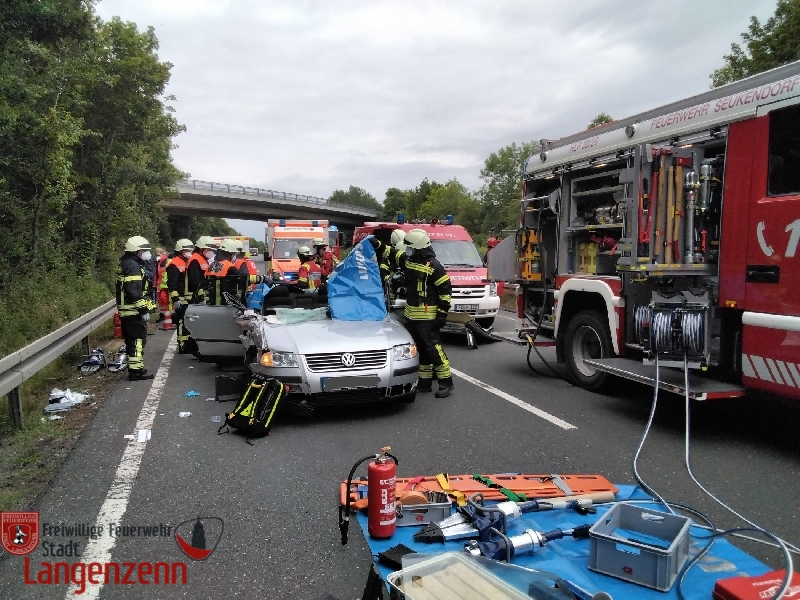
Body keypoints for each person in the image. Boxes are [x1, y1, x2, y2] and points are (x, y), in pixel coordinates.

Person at [370, 229, 454, 398]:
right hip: (412, 316)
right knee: (421, 350)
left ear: (418, 248)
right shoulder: (409, 261)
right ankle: (425, 383)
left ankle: (446, 382)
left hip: (428, 318)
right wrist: (377, 244)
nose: (407, 250)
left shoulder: (435, 267)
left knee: (433, 349)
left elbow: (445, 292)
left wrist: (442, 315)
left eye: (410, 247)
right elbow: (393, 253)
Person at [116, 236, 158, 381]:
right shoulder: (132, 266)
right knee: (136, 342)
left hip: (128, 311)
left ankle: (137, 368)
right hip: (132, 312)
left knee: (134, 342)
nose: (147, 253)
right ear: (138, 251)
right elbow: (133, 291)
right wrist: (143, 310)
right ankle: (135, 372)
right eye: (145, 250)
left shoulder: (127, 263)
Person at [166, 239, 196, 353]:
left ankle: (188, 345)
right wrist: (175, 299)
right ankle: (182, 345)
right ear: (180, 251)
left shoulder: (186, 262)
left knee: (187, 323)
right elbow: (171, 284)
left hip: (187, 299)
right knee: (181, 323)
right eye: (186, 250)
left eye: (190, 250)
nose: (189, 252)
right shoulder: (174, 263)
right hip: (180, 299)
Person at [205, 238, 247, 305]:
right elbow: (243, 279)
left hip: (212, 302)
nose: (233, 256)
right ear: (228, 253)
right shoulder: (229, 266)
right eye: (233, 254)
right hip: (226, 304)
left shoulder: (212, 265)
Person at [187, 236, 218, 303]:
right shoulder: (195, 260)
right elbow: (195, 281)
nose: (211, 252)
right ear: (201, 248)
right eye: (209, 249)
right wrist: (201, 297)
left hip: (203, 294)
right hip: (197, 296)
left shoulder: (203, 259)